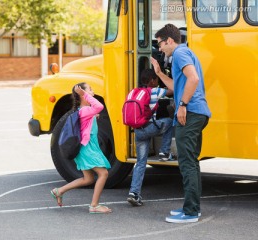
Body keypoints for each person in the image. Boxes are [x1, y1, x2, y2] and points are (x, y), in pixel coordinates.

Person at [150, 23, 211, 223]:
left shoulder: (179, 54)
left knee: (187, 163)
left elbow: (192, 79)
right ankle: (191, 207)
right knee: (190, 162)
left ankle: (191, 212)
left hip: (191, 112)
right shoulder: (184, 53)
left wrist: (183, 105)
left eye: (160, 44)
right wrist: (159, 73)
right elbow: (177, 86)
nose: (159, 48)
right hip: (197, 113)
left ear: (169, 40)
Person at [50, 83, 112, 214]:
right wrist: (85, 95)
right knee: (103, 173)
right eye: (90, 90)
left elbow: (90, 117)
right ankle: (94, 206)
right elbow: (99, 106)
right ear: (82, 95)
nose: (93, 92)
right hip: (86, 148)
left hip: (87, 147)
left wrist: (93, 116)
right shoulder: (84, 110)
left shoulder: (84, 111)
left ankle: (59, 191)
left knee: (88, 179)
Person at [127, 69, 174, 207]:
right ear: (153, 80)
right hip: (149, 128)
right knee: (170, 121)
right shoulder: (155, 91)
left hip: (138, 130)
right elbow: (172, 89)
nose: (157, 82)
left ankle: (134, 193)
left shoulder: (134, 92)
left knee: (141, 163)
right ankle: (164, 152)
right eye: (156, 80)